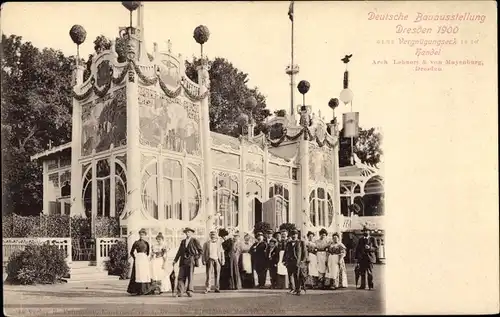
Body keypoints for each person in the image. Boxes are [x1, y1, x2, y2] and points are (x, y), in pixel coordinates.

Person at [172, 227, 203, 297]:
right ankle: (180, 292)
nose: (187, 233)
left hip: (191, 260)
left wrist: (195, 258)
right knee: (181, 276)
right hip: (183, 260)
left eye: (188, 232)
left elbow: (201, 251)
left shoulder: (194, 240)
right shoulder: (183, 241)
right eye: (186, 232)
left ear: (191, 233)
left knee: (190, 276)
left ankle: (190, 291)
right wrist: (175, 260)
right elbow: (179, 251)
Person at [127, 228, 154, 295]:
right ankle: (136, 290)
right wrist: (135, 258)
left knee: (144, 274)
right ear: (139, 235)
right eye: (140, 234)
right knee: (137, 274)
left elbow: (148, 252)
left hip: (144, 260)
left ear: (145, 235)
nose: (142, 236)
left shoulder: (146, 243)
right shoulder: (136, 243)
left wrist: (144, 257)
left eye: (143, 234)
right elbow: (131, 252)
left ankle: (146, 289)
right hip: (138, 260)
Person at [283, 229, 307, 295]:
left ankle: (298, 289)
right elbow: (286, 252)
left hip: (297, 262)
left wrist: (303, 260)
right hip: (289, 262)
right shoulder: (288, 243)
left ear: (297, 235)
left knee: (297, 275)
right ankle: (292, 289)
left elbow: (304, 252)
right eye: (292, 234)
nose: (294, 236)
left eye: (295, 234)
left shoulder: (301, 242)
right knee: (290, 275)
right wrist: (284, 260)